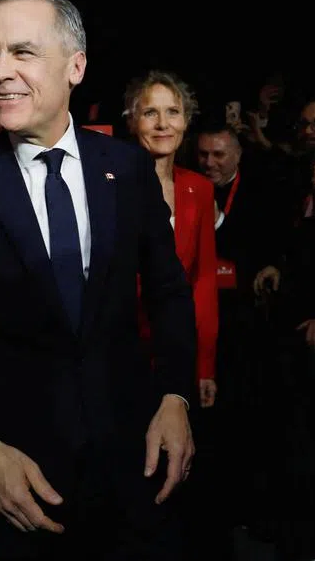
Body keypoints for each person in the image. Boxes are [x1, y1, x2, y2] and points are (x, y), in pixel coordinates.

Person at [0, 0, 196, 560]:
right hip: (23, 483)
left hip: (137, 465)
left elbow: (168, 292)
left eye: (22, 52)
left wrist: (176, 396)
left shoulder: (128, 169)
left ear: (76, 66)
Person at [124, 71, 220, 408]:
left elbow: (204, 280)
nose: (163, 124)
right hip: (121, 353)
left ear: (186, 121)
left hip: (176, 354)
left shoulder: (201, 188)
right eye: (151, 113)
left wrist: (205, 364)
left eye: (173, 112)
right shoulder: (110, 184)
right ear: (133, 121)